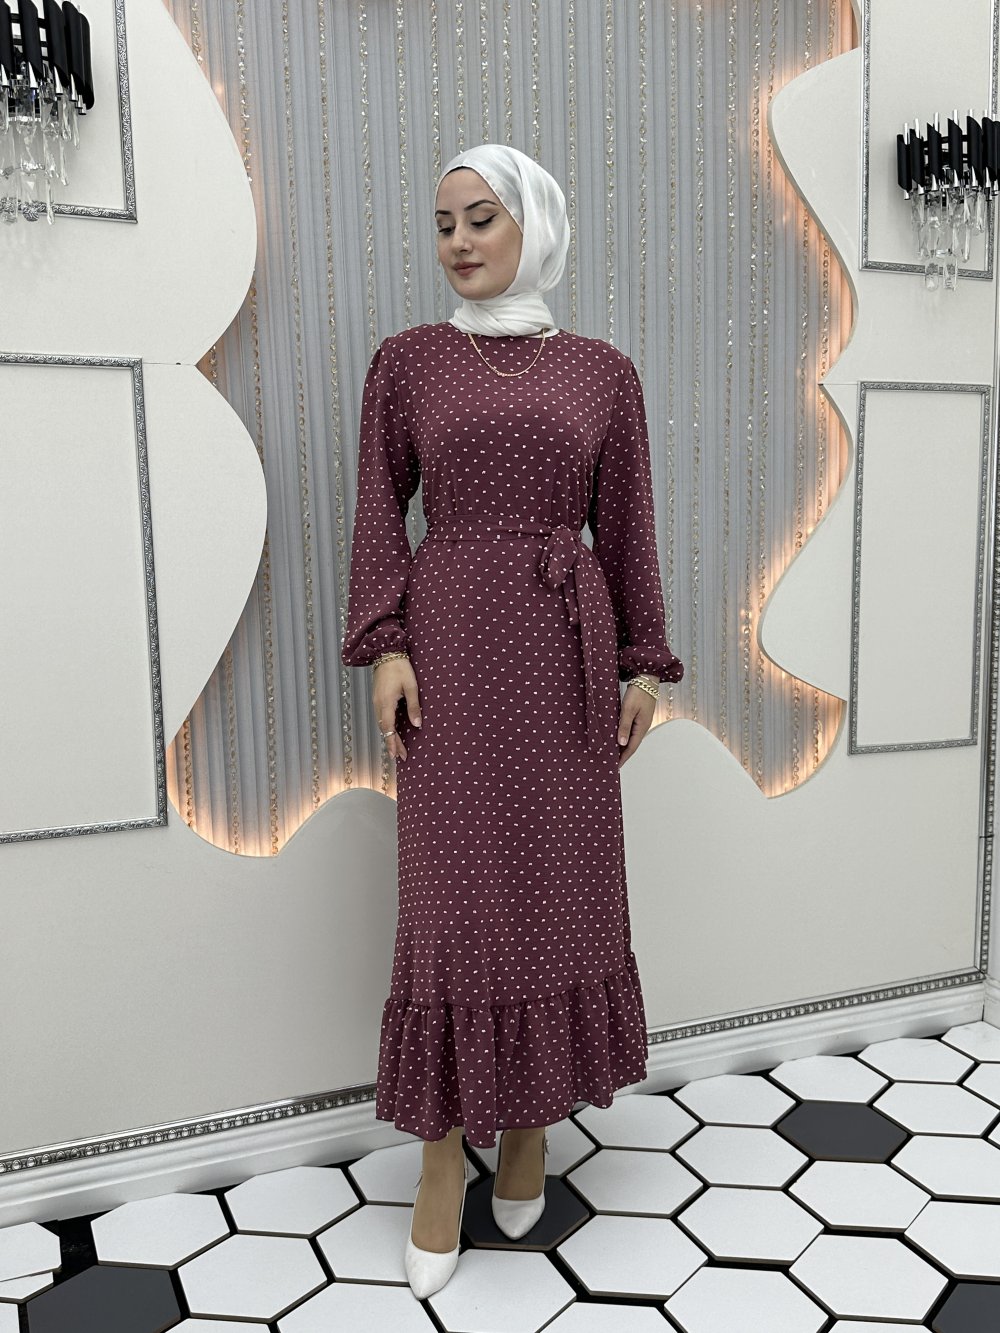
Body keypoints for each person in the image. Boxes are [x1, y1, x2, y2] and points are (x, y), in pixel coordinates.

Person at [341, 143, 683, 1299]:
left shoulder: (602, 373)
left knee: (557, 888)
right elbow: (377, 512)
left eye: (480, 218)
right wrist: (386, 644)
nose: (458, 242)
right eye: (443, 222)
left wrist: (643, 665)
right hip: (449, 651)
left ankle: (530, 1130)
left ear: (534, 223)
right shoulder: (406, 363)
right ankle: (443, 1161)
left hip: (565, 658)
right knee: (454, 896)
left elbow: (625, 524)